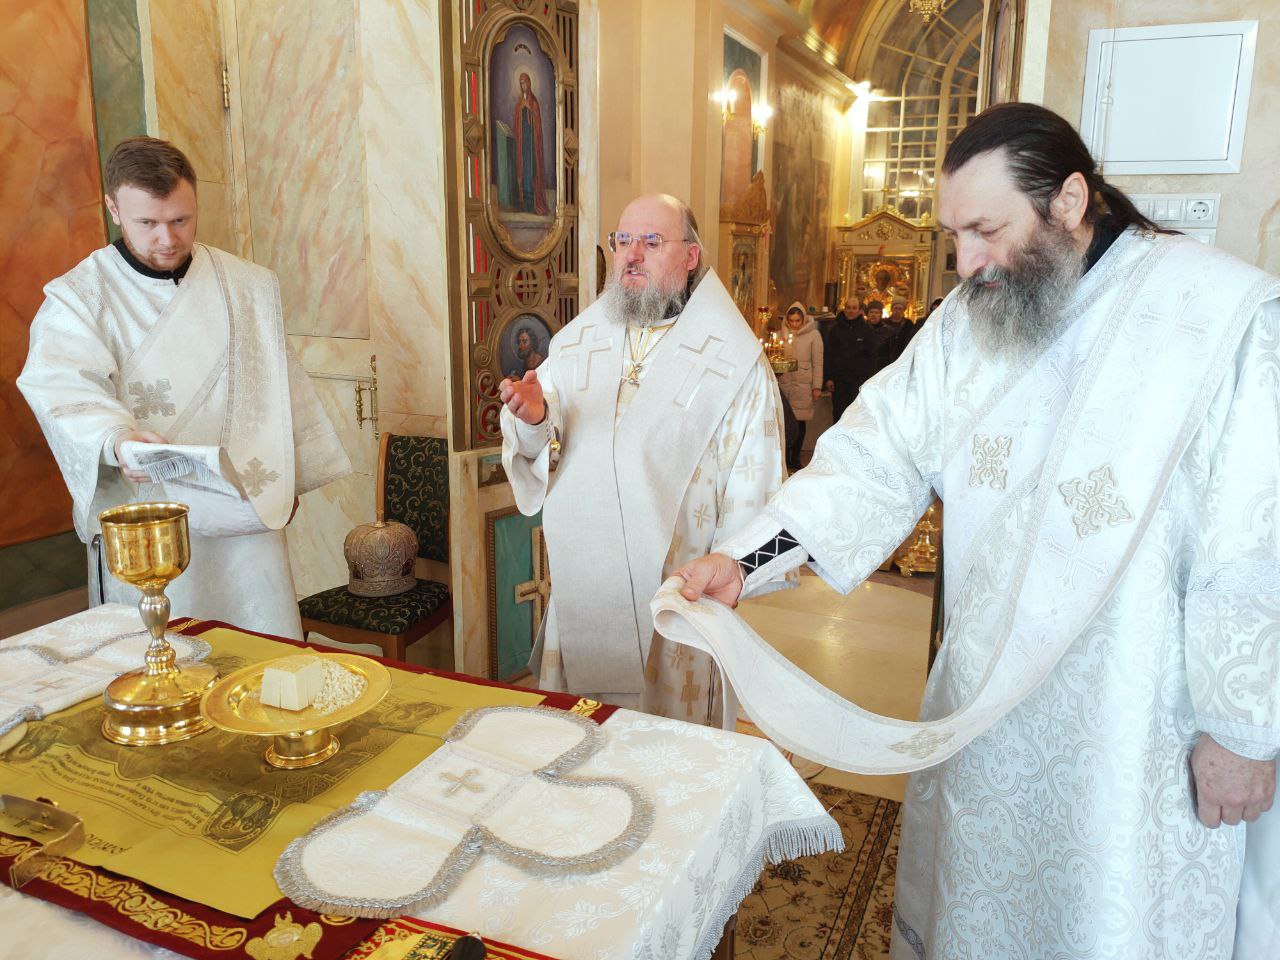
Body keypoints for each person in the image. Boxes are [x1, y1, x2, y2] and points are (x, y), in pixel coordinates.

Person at [674, 103, 1278, 958]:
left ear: (1069, 201)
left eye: (986, 230)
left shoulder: (1221, 316)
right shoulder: (971, 320)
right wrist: (747, 561)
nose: (965, 263)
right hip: (988, 713)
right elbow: (874, 458)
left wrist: (1242, 731)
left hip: (1133, 726)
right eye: (954, 236)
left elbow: (1251, 543)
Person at [18, 137, 351, 640]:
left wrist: (288, 479)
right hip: (148, 512)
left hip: (243, 508)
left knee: (256, 638)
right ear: (114, 209)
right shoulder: (81, 296)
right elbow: (59, 384)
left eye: (181, 220)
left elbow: (281, 384)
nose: (167, 239)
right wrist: (116, 439)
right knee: (164, 646)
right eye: (147, 223)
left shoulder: (246, 285)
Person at [498, 193, 787, 724]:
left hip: (677, 595)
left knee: (665, 749)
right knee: (581, 736)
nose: (631, 255)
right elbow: (540, 446)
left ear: (691, 256)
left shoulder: (733, 360)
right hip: (586, 586)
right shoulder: (578, 342)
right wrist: (534, 419)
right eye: (623, 241)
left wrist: (737, 565)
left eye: (652, 242)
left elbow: (755, 483)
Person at [777, 302, 823, 470]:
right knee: (785, 422)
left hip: (804, 384)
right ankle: (784, 458)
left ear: (803, 319)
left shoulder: (814, 335)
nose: (794, 324)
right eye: (791, 321)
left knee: (800, 421)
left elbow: (818, 362)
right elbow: (775, 357)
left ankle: (795, 458)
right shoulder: (780, 334)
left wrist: (817, 387)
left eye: (798, 320)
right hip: (785, 383)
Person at [823, 298, 878, 422]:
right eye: (848, 308)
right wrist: (828, 378)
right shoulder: (835, 329)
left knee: (856, 413)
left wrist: (869, 379)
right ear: (844, 309)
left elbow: (872, 356)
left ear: (859, 311)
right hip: (839, 380)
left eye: (854, 308)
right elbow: (829, 355)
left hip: (859, 380)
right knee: (839, 413)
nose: (851, 311)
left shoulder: (867, 329)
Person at [513, 72, 549, 216]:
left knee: (532, 170)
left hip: (532, 144)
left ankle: (534, 203)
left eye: (525, 82)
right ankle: (525, 204)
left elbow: (537, 123)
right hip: (523, 143)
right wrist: (522, 109)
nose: (524, 86)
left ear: (529, 83)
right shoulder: (519, 103)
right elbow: (517, 121)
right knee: (524, 171)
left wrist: (528, 108)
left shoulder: (534, 102)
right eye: (521, 83)